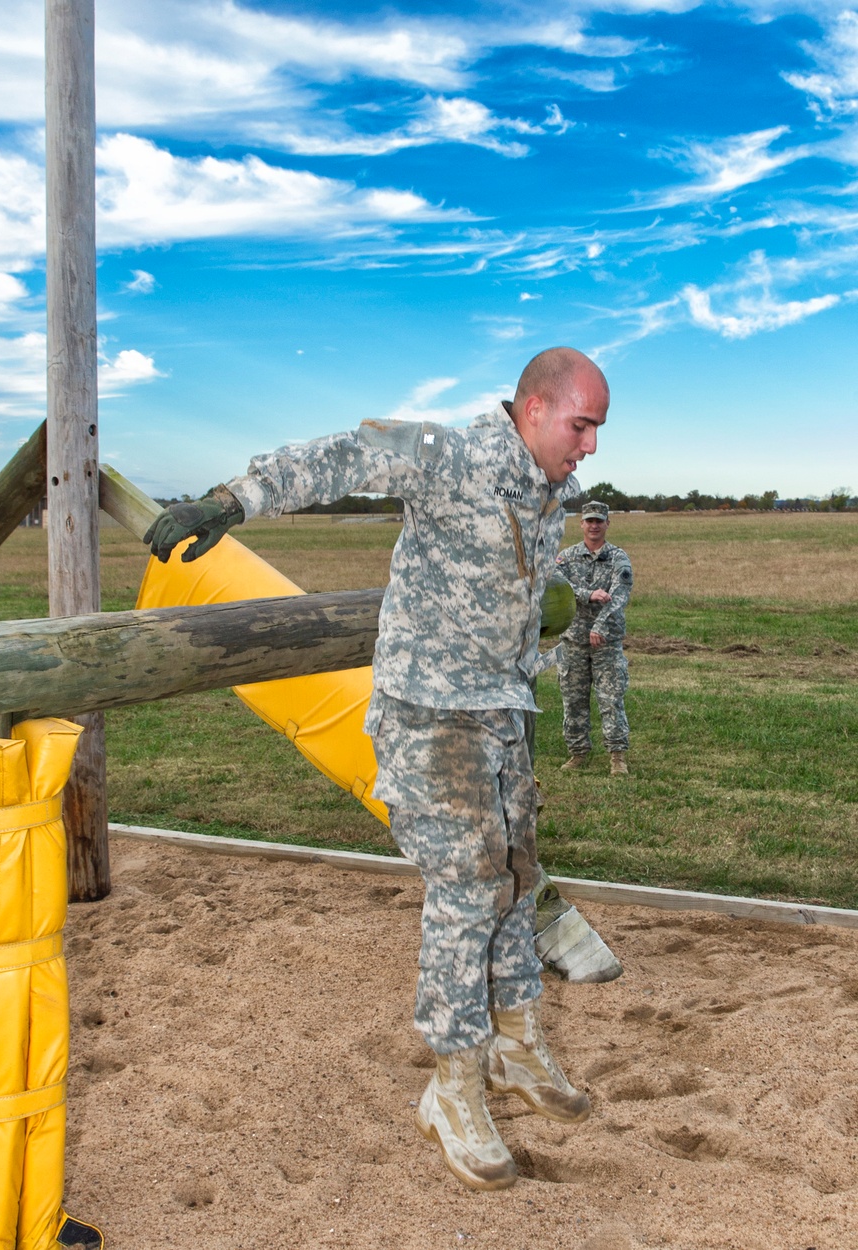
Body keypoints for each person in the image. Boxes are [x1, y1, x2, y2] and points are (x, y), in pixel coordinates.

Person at [144, 347, 610, 1192]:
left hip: (502, 710)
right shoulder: (453, 457)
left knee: (516, 875)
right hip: (428, 710)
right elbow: (345, 456)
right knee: (468, 884)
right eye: (581, 426)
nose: (589, 448)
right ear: (535, 408)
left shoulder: (555, 492)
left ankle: (515, 1044)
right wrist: (233, 499)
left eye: (596, 432)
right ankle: (454, 1087)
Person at [555, 500, 633, 776]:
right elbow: (556, 584)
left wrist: (599, 625)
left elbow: (619, 597)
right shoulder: (566, 557)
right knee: (573, 699)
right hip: (573, 641)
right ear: (581, 524)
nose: (594, 525)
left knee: (611, 699)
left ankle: (617, 756)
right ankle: (578, 753)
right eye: (589, 520)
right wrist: (586, 594)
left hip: (606, 643)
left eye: (599, 520)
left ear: (607, 524)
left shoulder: (618, 558)